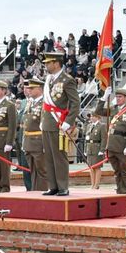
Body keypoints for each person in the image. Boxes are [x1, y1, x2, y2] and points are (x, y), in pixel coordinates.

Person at [39, 52, 78, 196]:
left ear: (56, 63)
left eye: (48, 63)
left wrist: (68, 122)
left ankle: (63, 186)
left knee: (59, 156)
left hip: (59, 122)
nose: (46, 65)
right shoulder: (48, 80)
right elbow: (46, 104)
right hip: (47, 122)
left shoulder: (67, 80)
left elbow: (75, 103)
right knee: (48, 156)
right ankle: (53, 186)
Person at [105, 88, 126, 195]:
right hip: (111, 145)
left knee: (125, 171)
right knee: (117, 171)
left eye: (120, 97)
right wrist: (104, 97)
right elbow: (98, 111)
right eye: (117, 97)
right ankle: (120, 192)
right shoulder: (114, 109)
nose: (118, 99)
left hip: (123, 145)